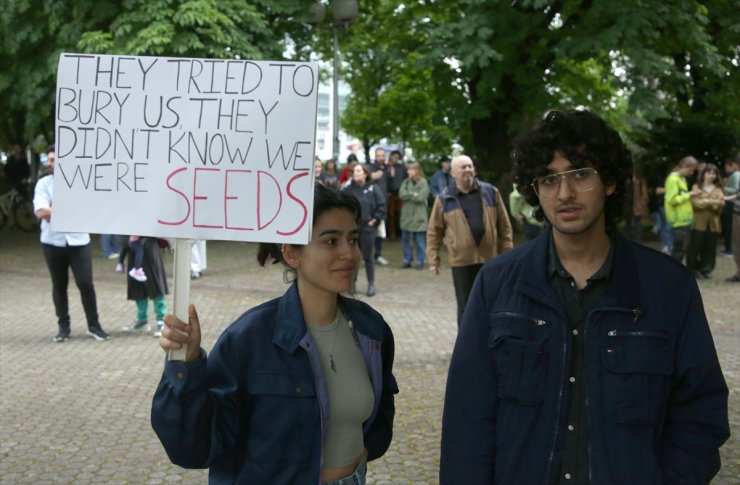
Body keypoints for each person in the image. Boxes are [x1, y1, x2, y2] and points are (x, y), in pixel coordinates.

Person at [440, 109, 729, 484]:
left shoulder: (669, 288)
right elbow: (467, 419)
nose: (564, 193)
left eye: (579, 174)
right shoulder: (496, 285)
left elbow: (699, 414)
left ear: (609, 181)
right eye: (548, 179)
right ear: (535, 189)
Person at [151, 184, 398, 484]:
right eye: (331, 241)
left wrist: (362, 453)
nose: (349, 253)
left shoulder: (371, 330)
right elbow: (194, 446)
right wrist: (185, 368)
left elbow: (381, 408)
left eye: (353, 239)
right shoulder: (248, 339)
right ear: (292, 253)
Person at [33, 145, 110, 342]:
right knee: (59, 285)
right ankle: (63, 328)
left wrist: (56, 211)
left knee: (85, 283)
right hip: (52, 242)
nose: (49, 163)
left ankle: (94, 325)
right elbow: (41, 212)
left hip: (78, 241)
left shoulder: (80, 181)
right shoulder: (43, 184)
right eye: (48, 159)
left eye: (53, 159)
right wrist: (69, 210)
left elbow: (89, 208)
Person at [426, 154, 513, 326]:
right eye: (463, 167)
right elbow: (434, 231)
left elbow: (505, 226)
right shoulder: (444, 198)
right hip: (461, 261)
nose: (468, 170)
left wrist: (507, 253)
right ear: (452, 173)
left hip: (490, 259)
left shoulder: (490, 192)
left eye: (470, 166)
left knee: (491, 303)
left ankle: (491, 343)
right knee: (465, 307)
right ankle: (467, 348)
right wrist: (433, 259)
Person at [343, 163, 386, 297]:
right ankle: (352, 283)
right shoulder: (348, 190)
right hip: (352, 230)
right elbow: (341, 206)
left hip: (368, 228)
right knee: (352, 258)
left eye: (358, 171)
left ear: (365, 173)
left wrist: (375, 220)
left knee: (368, 257)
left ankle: (371, 284)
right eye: (354, 171)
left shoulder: (373, 188)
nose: (355, 173)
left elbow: (381, 205)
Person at [121, 236, 169, 336]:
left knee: (156, 285)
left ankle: (162, 321)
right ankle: (142, 320)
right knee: (137, 286)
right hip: (134, 246)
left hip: (150, 245)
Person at [687, 163, 725, 279]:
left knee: (710, 248)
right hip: (698, 222)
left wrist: (706, 201)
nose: (712, 176)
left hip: (713, 224)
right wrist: (712, 201)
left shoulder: (718, 189)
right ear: (703, 174)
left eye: (714, 173)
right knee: (695, 246)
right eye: (709, 173)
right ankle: (692, 269)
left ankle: (705, 269)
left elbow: (720, 205)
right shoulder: (696, 187)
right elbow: (695, 203)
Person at [664, 156, 701, 264]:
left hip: (684, 220)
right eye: (691, 170)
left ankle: (676, 275)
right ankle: (673, 275)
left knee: (681, 250)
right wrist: (690, 194)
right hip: (678, 221)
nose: (691, 172)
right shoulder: (673, 179)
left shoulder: (681, 179)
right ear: (685, 167)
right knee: (678, 250)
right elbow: (672, 200)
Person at [399, 162, 429, 269]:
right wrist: (413, 194)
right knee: (406, 239)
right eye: (408, 170)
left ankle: (421, 261)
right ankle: (407, 260)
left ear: (416, 170)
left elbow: (422, 196)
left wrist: (410, 195)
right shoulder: (406, 182)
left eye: (410, 170)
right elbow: (401, 194)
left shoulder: (424, 182)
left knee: (420, 241)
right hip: (407, 215)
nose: (408, 172)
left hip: (419, 216)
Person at [369, 148, 390, 266]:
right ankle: (366, 255)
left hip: (383, 204)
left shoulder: (387, 168)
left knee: (380, 232)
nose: (380, 157)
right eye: (378, 155)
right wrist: (372, 176)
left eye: (382, 155)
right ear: (375, 156)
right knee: (368, 231)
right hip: (371, 204)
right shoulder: (370, 168)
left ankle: (378, 255)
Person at [724, 155, 740, 282]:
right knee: (736, 244)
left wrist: (725, 194)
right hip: (737, 212)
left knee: (737, 244)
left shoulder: (736, 175)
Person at [386, 150, 408, 239]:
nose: (395, 159)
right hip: (390, 194)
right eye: (394, 156)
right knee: (390, 215)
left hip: (401, 194)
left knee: (402, 214)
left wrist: (404, 161)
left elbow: (409, 172)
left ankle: (402, 233)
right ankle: (392, 233)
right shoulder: (387, 167)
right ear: (391, 157)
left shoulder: (402, 167)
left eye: (397, 157)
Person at [721, 155, 739, 257]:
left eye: (726, 166)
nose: (725, 168)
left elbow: (736, 190)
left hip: (731, 204)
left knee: (729, 228)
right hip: (732, 204)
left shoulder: (736, 174)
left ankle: (729, 250)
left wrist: (725, 187)